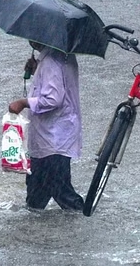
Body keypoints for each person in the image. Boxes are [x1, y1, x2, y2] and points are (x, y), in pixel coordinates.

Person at [8, 40, 85, 212]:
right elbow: (59, 83)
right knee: (36, 192)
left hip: (53, 138)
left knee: (60, 190)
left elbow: (53, 99)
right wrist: (38, 70)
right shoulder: (62, 55)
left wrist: (23, 102)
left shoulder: (50, 61)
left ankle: (85, 217)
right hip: (53, 137)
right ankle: (35, 229)